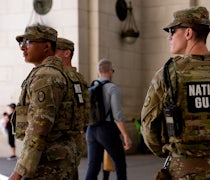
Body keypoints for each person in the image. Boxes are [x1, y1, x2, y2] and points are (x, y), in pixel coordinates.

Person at [140, 6, 210, 179]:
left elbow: (149, 126)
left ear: (188, 33)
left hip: (184, 169)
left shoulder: (169, 73)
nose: (169, 37)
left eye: (172, 30)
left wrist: (168, 151)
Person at [9, 24, 85, 180]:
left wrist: (19, 172)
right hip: (60, 159)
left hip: (49, 165)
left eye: (28, 42)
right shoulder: (57, 73)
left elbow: (39, 128)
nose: (22, 48)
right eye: (21, 43)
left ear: (46, 46)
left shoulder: (46, 76)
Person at [84, 59, 132, 180]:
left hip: (91, 130)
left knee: (93, 166)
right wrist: (125, 135)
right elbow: (117, 115)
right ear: (110, 71)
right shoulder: (112, 88)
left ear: (98, 72)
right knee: (119, 162)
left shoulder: (90, 88)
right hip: (106, 130)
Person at [55, 37, 90, 178]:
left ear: (66, 53)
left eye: (55, 50)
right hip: (72, 143)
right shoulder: (77, 78)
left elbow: (84, 111)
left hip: (63, 143)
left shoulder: (65, 77)